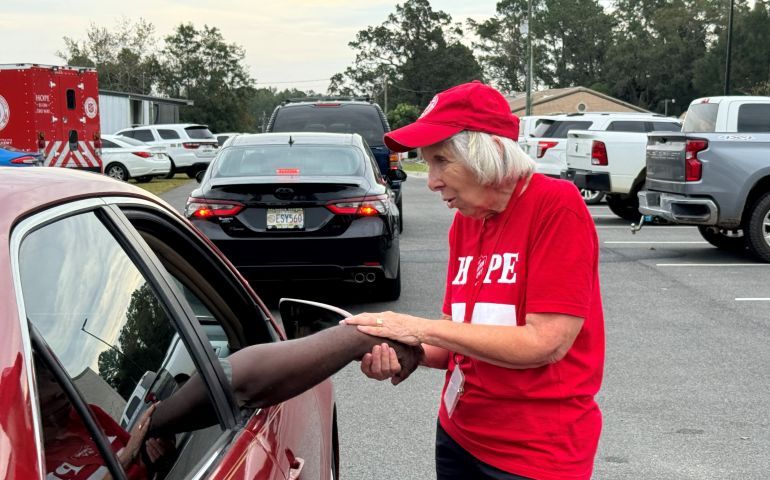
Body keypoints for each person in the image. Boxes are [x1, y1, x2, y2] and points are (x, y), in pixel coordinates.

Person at [341, 81, 605, 480]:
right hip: (459, 432)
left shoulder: (556, 207)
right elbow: (454, 339)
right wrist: (406, 351)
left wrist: (415, 326)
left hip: (534, 453)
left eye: (441, 161)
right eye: (427, 163)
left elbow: (545, 343)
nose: (430, 181)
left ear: (488, 154)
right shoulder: (465, 223)